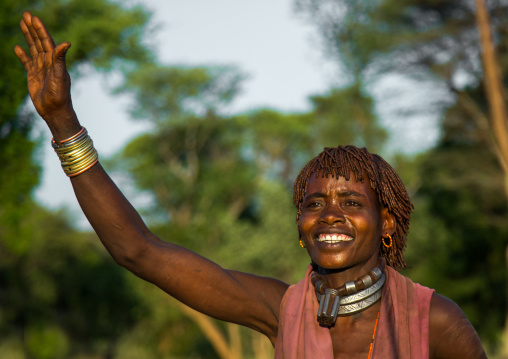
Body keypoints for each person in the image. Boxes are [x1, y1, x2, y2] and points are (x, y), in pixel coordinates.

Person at [14, 11, 487, 359]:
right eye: (314, 202)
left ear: (386, 221)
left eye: (350, 201)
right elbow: (138, 250)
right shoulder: (281, 311)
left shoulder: (434, 323)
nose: (329, 215)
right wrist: (63, 123)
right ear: (299, 223)